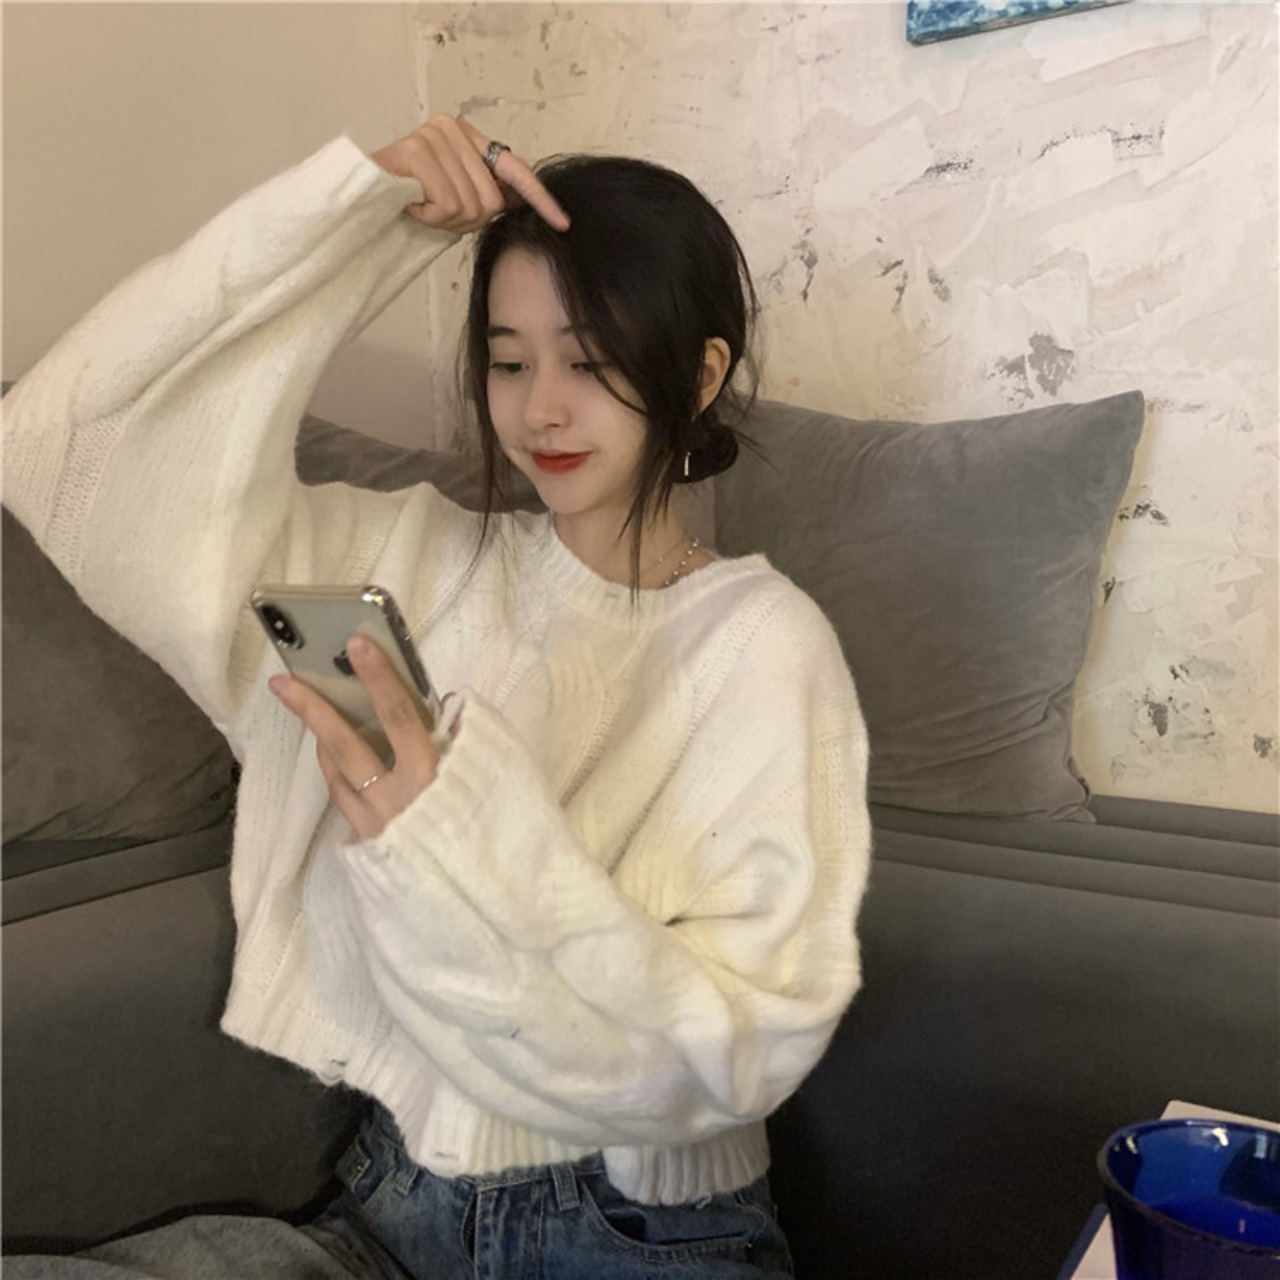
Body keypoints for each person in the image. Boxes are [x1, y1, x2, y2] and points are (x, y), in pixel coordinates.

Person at [4, 115, 871, 1279]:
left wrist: (454, 840)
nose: (540, 409)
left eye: (589, 360)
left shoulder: (762, 643)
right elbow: (71, 454)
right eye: (509, 361)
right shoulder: (391, 569)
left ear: (701, 373)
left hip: (640, 1235)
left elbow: (735, 1047)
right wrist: (353, 219)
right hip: (389, 1210)